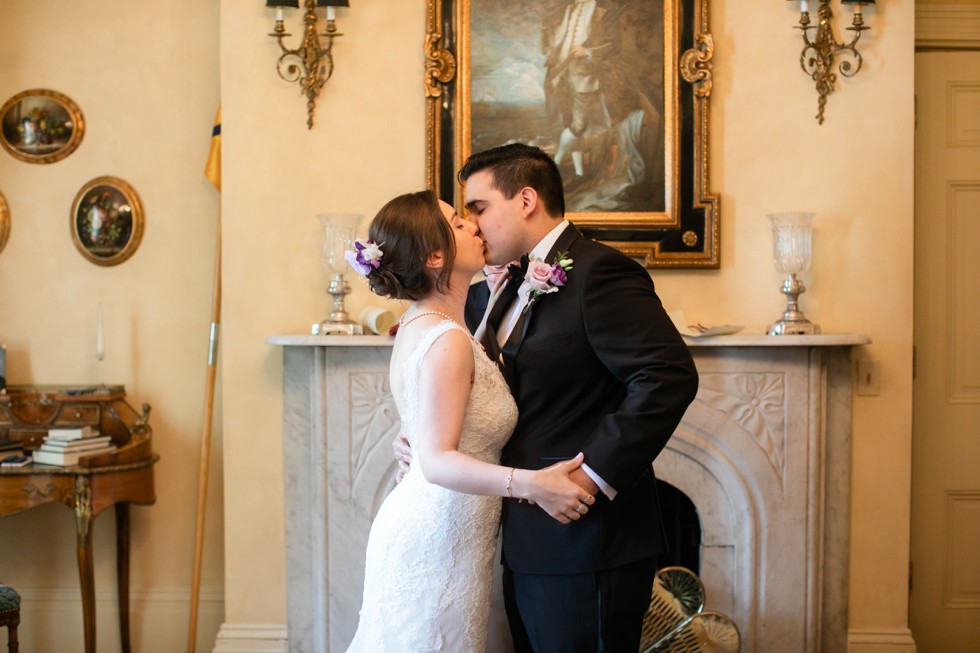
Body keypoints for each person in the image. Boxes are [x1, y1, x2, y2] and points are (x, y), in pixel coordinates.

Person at [395, 144, 699, 652]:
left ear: (527, 200)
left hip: (588, 536)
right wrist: (418, 436)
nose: (471, 224)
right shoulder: (482, 291)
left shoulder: (600, 272)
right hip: (521, 537)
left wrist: (591, 475)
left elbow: (666, 376)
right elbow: (467, 391)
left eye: (478, 207)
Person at [344, 189, 596, 652]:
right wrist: (533, 484)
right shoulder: (446, 339)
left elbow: (431, 423)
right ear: (436, 255)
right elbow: (437, 462)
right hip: (435, 538)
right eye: (459, 223)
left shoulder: (435, 325)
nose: (474, 225)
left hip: (448, 533)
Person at [542, 0, 622, 189]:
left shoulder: (606, 10)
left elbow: (615, 46)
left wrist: (588, 51)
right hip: (561, 74)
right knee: (570, 124)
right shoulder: (569, 8)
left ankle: (556, 164)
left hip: (586, 75)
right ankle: (579, 173)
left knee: (579, 126)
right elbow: (557, 37)